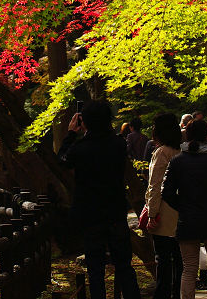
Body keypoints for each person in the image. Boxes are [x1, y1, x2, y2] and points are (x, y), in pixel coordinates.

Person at [58, 100, 142, 299]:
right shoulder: (119, 144)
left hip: (91, 215)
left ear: (84, 122)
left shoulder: (80, 148)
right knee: (124, 267)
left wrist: (71, 133)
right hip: (115, 213)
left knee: (96, 271)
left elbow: (62, 159)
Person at [162, 119, 207, 299]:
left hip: (188, 220)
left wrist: (182, 205)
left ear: (187, 135)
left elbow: (166, 192)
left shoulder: (177, 161)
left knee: (189, 268)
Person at [143, 114, 184, 299]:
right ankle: (178, 293)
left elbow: (155, 185)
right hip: (182, 211)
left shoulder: (162, 153)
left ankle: (162, 295)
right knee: (180, 258)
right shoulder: (182, 151)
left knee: (163, 259)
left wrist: (152, 214)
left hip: (164, 212)